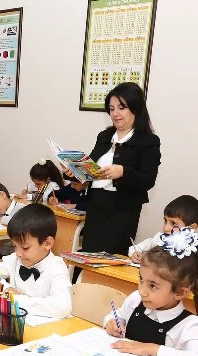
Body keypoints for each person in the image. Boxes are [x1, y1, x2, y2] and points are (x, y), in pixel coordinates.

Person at [73, 82, 161, 255]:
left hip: (122, 211)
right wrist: (75, 173)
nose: (115, 113)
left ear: (135, 108)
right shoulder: (104, 136)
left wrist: (123, 172)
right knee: (89, 256)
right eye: (112, 109)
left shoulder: (148, 141)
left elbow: (148, 179)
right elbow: (92, 168)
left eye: (121, 108)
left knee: (110, 259)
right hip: (96, 206)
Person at [0, 204, 72, 320]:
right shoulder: (16, 259)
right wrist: (5, 289)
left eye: (25, 247)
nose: (18, 253)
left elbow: (62, 307)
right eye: (14, 246)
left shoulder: (56, 267)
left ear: (47, 243)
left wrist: (15, 299)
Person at [129, 195, 198, 262]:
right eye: (165, 221)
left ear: (191, 228)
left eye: (173, 223)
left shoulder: (194, 249)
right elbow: (134, 248)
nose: (166, 228)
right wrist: (135, 254)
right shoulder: (160, 238)